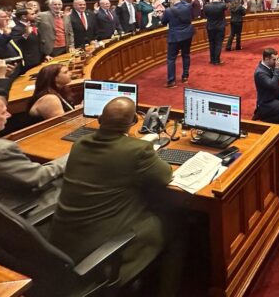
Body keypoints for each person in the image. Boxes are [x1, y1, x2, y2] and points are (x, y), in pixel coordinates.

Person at [50, 97, 183, 295]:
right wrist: (145, 145)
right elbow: (165, 176)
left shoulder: (79, 144)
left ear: (100, 119)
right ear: (133, 123)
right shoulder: (138, 150)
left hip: (64, 242)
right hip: (103, 250)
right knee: (178, 224)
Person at [0, 93, 66, 254]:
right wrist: (70, 156)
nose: (8, 115)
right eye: (3, 113)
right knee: (70, 184)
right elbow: (38, 177)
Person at [161, 0, 194, 88]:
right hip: (187, 35)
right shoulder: (187, 6)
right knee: (186, 55)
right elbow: (184, 2)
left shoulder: (168, 11)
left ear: (172, 2)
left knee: (171, 59)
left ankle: (171, 81)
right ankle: (185, 77)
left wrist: (161, 15)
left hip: (175, 37)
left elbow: (163, 22)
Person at [203, 0, 227, 65]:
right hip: (220, 27)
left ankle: (212, 59)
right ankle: (217, 60)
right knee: (218, 43)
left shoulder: (206, 6)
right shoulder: (223, 5)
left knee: (211, 43)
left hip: (210, 27)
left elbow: (206, 15)